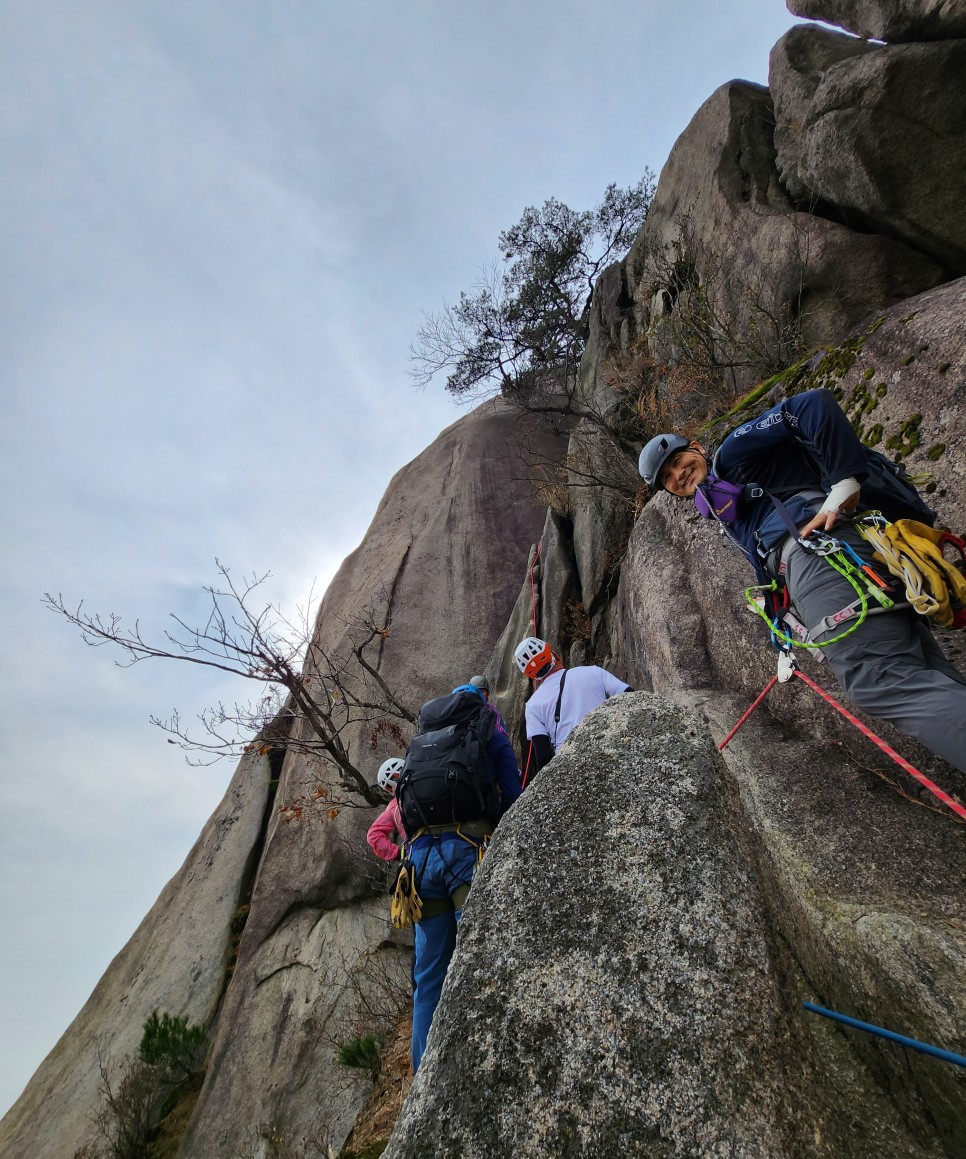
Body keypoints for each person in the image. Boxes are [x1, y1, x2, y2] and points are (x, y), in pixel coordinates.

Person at [638, 386, 966, 775]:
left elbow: (811, 405)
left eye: (679, 461)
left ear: (696, 447)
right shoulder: (726, 509)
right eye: (669, 479)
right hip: (833, 568)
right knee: (924, 672)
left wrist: (844, 481)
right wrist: (782, 632)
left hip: (822, 559)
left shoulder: (732, 454)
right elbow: (768, 561)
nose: (679, 475)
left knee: (878, 681)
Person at [403, 683, 522, 1071]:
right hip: (466, 849)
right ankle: (486, 1065)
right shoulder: (486, 726)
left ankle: (424, 1077)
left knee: (429, 975)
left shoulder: (423, 744)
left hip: (419, 864)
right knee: (479, 956)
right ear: (478, 702)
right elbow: (511, 788)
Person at [514, 637, 631, 778]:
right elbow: (630, 696)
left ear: (531, 675)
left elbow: (543, 758)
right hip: (610, 750)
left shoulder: (533, 705)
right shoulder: (593, 672)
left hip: (571, 770)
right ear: (552, 653)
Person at [366, 758, 407, 862]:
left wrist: (399, 854)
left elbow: (373, 835)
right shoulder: (432, 781)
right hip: (453, 841)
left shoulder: (394, 807)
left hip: (421, 856)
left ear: (389, 789)